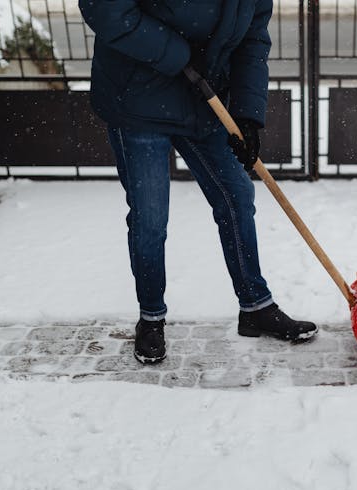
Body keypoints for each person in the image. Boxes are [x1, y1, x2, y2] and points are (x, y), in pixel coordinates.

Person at [79, 0, 317, 364]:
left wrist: (247, 114)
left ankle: (255, 305)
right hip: (139, 98)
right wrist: (178, 55)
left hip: (202, 98)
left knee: (236, 197)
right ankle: (151, 318)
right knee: (150, 217)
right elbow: (109, 11)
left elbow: (253, 40)